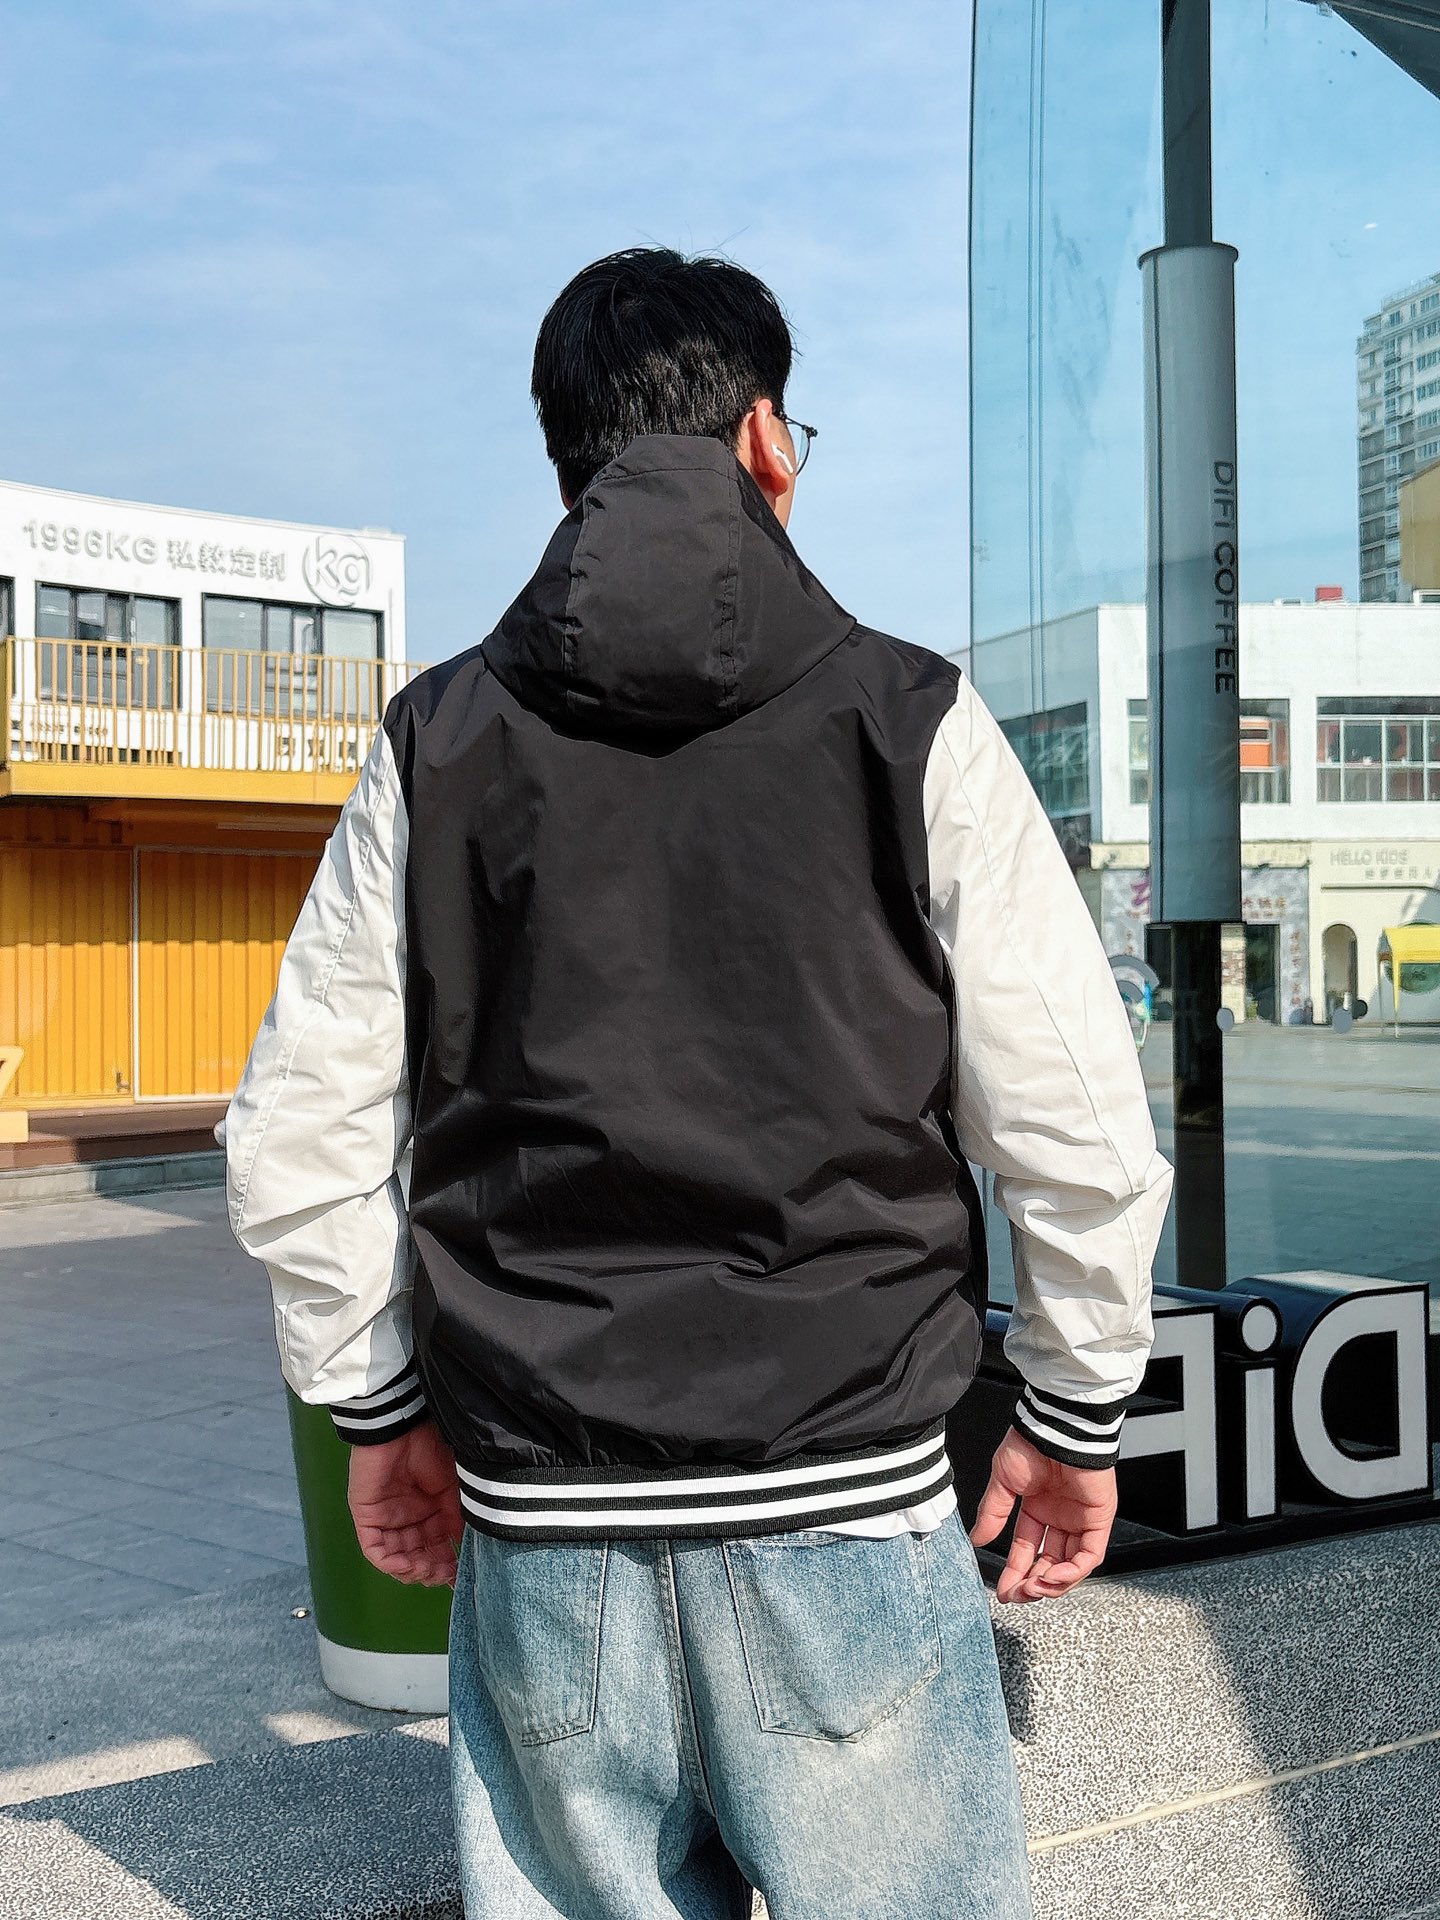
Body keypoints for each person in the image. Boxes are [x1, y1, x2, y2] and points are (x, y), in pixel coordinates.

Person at [223, 246, 1174, 1920]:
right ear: (767, 443)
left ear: (568, 470)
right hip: (852, 1509)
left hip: (547, 1525)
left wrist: (376, 1409)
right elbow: (1075, 1129)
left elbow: (301, 1138)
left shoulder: (436, 742)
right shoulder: (911, 720)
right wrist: (1076, 1410)